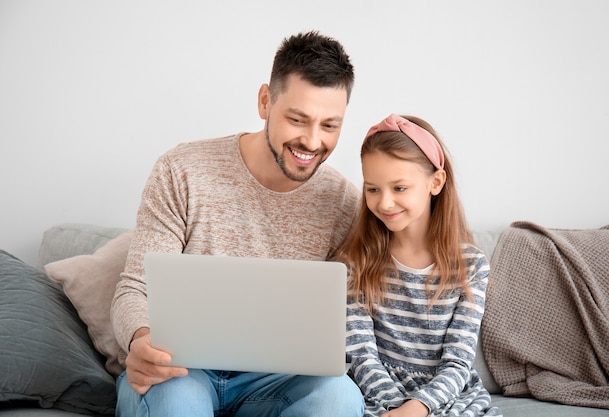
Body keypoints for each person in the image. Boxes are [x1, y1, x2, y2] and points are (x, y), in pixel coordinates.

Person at [111, 31, 365, 417]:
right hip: (181, 369)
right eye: (297, 119)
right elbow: (135, 288)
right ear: (265, 101)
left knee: (341, 397)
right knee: (179, 398)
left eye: (330, 126)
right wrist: (141, 340)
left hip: (276, 381)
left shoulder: (344, 203)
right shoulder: (182, 171)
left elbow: (351, 314)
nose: (312, 142)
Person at [335, 114, 502, 417]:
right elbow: (361, 356)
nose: (384, 203)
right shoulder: (354, 263)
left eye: (399, 188)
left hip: (445, 396)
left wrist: (418, 408)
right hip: (376, 394)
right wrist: (398, 408)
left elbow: (458, 362)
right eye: (373, 189)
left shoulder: (471, 266)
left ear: (435, 182)